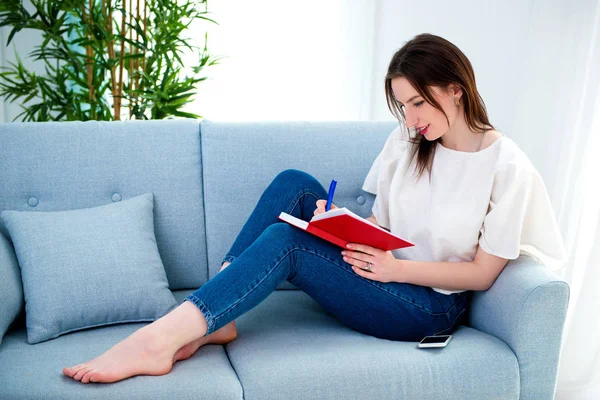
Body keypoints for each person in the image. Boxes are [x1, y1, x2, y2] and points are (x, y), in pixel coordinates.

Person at [63, 33, 567, 384]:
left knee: (287, 242)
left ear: (456, 88)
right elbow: (384, 222)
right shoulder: (409, 139)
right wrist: (344, 226)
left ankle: (160, 339)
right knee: (295, 186)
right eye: (403, 106)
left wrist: (394, 268)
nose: (411, 119)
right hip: (381, 267)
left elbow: (482, 274)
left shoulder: (506, 165)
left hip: (426, 305)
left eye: (419, 103)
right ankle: (220, 317)